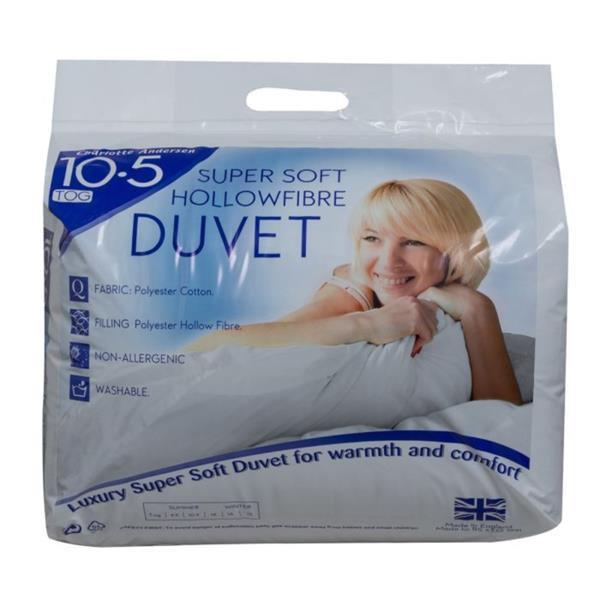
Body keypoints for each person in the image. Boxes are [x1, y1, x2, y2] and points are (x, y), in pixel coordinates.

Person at [187, 179, 522, 405]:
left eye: (413, 242)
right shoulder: (352, 290)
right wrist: (367, 324)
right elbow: (210, 345)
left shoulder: (456, 299)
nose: (388, 261)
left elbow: (500, 417)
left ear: (455, 252)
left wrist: (478, 310)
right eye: (372, 238)